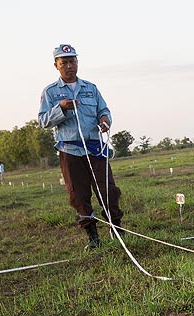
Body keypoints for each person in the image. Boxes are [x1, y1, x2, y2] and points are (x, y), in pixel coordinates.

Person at [38, 44, 124, 249]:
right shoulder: (50, 92)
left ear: (77, 63)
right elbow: (43, 121)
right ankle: (93, 237)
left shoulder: (90, 88)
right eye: (64, 63)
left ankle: (116, 228)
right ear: (56, 66)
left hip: (95, 148)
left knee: (108, 189)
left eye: (72, 61)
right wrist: (61, 108)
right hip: (70, 150)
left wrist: (104, 120)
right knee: (78, 194)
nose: (69, 66)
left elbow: (104, 110)